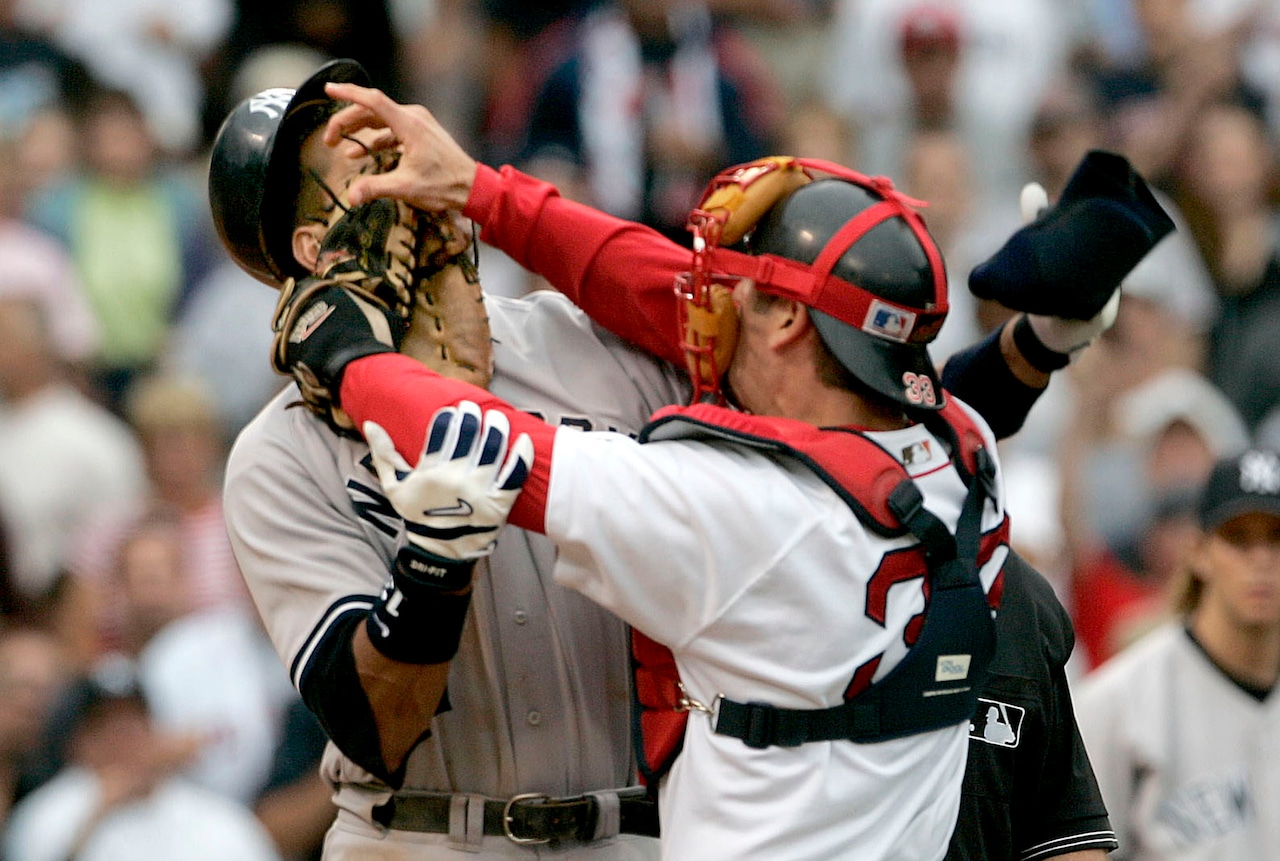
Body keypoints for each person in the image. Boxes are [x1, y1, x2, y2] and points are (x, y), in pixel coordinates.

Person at [210, 61, 1154, 859]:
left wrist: (374, 329)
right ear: (309, 243)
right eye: (365, 161)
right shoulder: (278, 457)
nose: (403, 164)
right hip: (425, 838)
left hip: (640, 831)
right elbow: (375, 723)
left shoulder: (596, 343)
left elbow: (831, 404)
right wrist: (430, 573)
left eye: (397, 138)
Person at [1074, 447, 1280, 860]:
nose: (1262, 561)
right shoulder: (1117, 703)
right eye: (1238, 538)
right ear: (1198, 551)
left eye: (1277, 538)